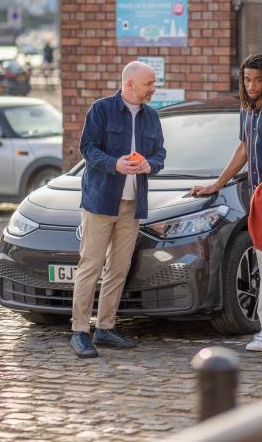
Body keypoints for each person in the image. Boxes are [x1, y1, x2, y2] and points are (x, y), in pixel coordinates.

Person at [191, 53, 262, 351]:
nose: (251, 85)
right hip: (256, 197)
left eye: (258, 80)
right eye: (247, 80)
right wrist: (217, 184)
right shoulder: (246, 109)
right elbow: (243, 149)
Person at [71, 61, 166, 358]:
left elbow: (160, 153)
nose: (154, 88)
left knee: (118, 269)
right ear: (130, 84)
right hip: (101, 202)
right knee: (91, 267)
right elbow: (87, 148)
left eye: (153, 83)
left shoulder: (152, 117)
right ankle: (80, 331)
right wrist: (115, 164)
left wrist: (152, 164)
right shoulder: (102, 109)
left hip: (132, 203)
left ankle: (106, 328)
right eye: (149, 83)